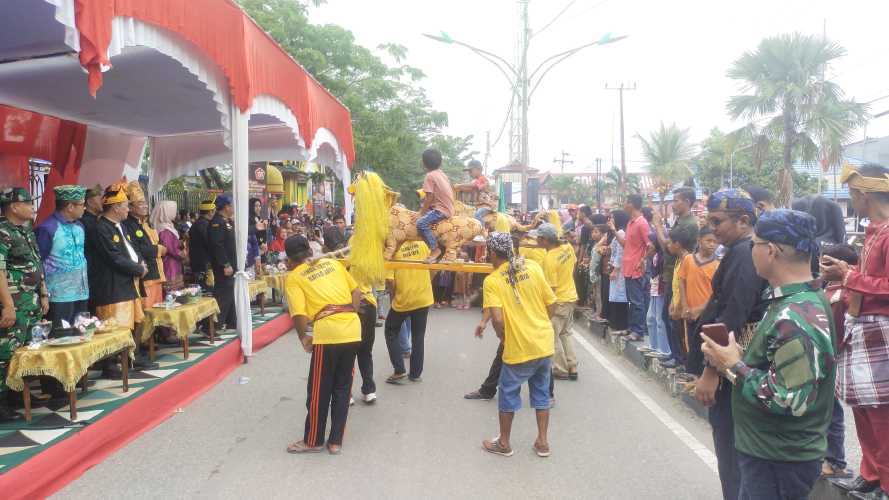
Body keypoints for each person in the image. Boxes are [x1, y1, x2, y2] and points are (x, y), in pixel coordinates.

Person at [702, 209, 836, 500]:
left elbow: (788, 398)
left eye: (755, 244)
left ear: (771, 251)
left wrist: (733, 364)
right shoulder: (794, 301)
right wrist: (736, 357)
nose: (752, 251)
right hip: (771, 455)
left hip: (779, 461)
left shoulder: (795, 315)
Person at [691, 189, 768, 500]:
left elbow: (733, 316)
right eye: (710, 220)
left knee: (732, 447)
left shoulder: (744, 255)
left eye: (718, 221)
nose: (713, 228)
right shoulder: (737, 251)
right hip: (732, 363)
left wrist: (712, 371)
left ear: (744, 221)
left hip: (732, 367)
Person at [821, 164, 889, 499]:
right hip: (863, 327)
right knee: (863, 408)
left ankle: (885, 483)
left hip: (881, 330)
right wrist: (848, 272)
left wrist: (848, 278)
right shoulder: (874, 230)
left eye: (852, 195)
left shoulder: (888, 232)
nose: (853, 201)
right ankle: (870, 474)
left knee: (880, 414)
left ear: (862, 196)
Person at [283, 235, 362, 455]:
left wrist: (303, 338)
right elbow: (356, 291)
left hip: (328, 334)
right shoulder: (333, 263)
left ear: (289, 259)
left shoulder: (294, 277)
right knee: (343, 387)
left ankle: (314, 440)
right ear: (309, 250)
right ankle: (335, 441)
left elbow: (298, 314)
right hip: (353, 329)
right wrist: (350, 313)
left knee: (319, 389)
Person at [480, 232, 556, 458]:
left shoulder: (493, 280)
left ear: (493, 252)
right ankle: (542, 442)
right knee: (541, 393)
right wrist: (540, 325)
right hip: (543, 343)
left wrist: (504, 338)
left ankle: (504, 443)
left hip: (519, 348)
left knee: (508, 393)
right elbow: (551, 302)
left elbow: (498, 319)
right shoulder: (532, 267)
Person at [89, 181, 155, 372]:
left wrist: (141, 265)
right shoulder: (101, 228)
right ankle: (112, 364)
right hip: (112, 286)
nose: (128, 209)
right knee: (114, 325)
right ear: (116, 208)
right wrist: (137, 269)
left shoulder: (121, 226)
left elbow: (132, 248)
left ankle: (130, 358)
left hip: (129, 284)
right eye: (126, 205)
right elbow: (113, 258)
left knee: (132, 323)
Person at [0, 187, 49, 421]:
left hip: (31, 302)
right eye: (28, 203)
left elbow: (36, 263)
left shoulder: (27, 230)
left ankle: (20, 394)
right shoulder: (2, 231)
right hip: (14, 303)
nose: (32, 206)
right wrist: (8, 306)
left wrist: (44, 294)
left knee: (28, 351)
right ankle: (2, 402)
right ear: (14, 207)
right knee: (7, 353)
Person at [821, 243, 858, 479]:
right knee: (824, 411)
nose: (820, 266)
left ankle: (836, 462)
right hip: (825, 357)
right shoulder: (827, 289)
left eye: (826, 262)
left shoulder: (846, 293)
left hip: (835, 358)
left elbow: (847, 326)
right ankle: (828, 458)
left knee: (832, 412)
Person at [652, 187, 699, 368]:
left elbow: (667, 246)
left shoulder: (689, 224)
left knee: (674, 318)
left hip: (680, 273)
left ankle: (681, 359)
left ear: (687, 201)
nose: (673, 203)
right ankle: (675, 355)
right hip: (672, 272)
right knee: (668, 316)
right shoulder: (681, 220)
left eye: (677, 199)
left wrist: (657, 226)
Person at [34, 185, 89, 328]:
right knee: (60, 338)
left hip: (81, 293)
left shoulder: (80, 226)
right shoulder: (48, 228)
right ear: (70, 206)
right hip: (58, 297)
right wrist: (43, 294)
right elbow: (38, 262)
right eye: (82, 204)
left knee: (81, 336)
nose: (85, 208)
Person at [384, 240, 433, 383]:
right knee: (418, 336)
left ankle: (399, 370)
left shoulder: (393, 250)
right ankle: (415, 374)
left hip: (403, 299)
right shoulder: (422, 244)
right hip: (423, 298)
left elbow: (390, 281)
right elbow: (433, 267)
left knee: (390, 331)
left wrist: (393, 296)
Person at [537, 223, 578, 380]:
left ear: (546, 240)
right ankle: (572, 366)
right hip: (571, 296)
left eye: (539, 239)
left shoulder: (549, 259)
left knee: (553, 335)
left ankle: (560, 369)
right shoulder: (567, 248)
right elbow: (572, 266)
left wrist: (547, 308)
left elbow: (551, 290)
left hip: (559, 300)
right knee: (566, 333)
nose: (538, 241)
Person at [123, 182, 166, 312]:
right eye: (141, 203)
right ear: (130, 207)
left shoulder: (145, 223)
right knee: (148, 311)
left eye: (145, 202)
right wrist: (159, 249)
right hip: (145, 275)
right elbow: (136, 249)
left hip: (155, 273)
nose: (146, 206)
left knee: (158, 309)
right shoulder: (128, 225)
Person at [617, 194, 652, 342]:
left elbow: (651, 245)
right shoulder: (631, 222)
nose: (623, 205)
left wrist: (642, 260)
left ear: (631, 204)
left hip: (636, 268)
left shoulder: (642, 223)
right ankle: (632, 328)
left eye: (625, 201)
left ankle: (639, 331)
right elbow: (627, 245)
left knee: (637, 301)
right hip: (628, 267)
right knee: (632, 300)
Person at [678, 227, 719, 343]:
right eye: (708, 241)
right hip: (689, 313)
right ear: (699, 240)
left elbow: (717, 294)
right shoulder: (688, 260)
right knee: (690, 344)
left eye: (715, 242)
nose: (712, 245)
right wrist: (685, 306)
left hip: (707, 314)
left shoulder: (718, 265)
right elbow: (682, 282)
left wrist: (699, 310)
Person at [417, 148, 455, 263]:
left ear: (423, 163)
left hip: (441, 210)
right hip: (448, 208)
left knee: (421, 223)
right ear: (440, 162)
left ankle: (435, 249)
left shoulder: (429, 176)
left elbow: (429, 198)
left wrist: (421, 213)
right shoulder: (442, 174)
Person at [208, 195, 237, 329]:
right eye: (231, 205)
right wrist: (225, 264)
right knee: (223, 295)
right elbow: (217, 245)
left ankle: (231, 321)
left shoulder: (226, 221)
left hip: (231, 264)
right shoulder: (217, 223)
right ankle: (213, 325)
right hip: (224, 266)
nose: (233, 208)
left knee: (230, 293)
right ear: (226, 206)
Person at [151, 200, 185, 292]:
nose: (176, 213)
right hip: (170, 264)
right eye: (173, 210)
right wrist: (183, 253)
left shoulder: (165, 226)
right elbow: (171, 249)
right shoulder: (165, 229)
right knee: (172, 291)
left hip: (170, 262)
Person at [606, 210, 629, 332]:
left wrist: (615, 269)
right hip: (615, 267)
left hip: (620, 269)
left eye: (613, 218)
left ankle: (620, 324)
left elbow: (621, 253)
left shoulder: (621, 232)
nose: (611, 220)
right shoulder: (618, 232)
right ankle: (616, 323)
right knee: (615, 295)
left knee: (620, 295)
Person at [188, 198, 215, 289]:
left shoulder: (198, 223)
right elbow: (210, 243)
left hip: (199, 263)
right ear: (210, 212)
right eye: (214, 211)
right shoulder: (204, 225)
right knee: (207, 290)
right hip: (204, 265)